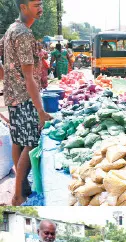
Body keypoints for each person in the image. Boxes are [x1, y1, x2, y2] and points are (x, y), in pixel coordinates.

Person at [0, 0, 53, 206]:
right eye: (35, 5)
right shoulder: (22, 33)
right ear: (23, 7)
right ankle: (18, 195)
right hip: (25, 98)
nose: (40, 8)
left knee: (18, 141)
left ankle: (22, 188)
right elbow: (29, 76)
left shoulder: (11, 29)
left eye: (41, 4)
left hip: (13, 96)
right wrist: (40, 110)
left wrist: (7, 78)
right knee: (30, 143)